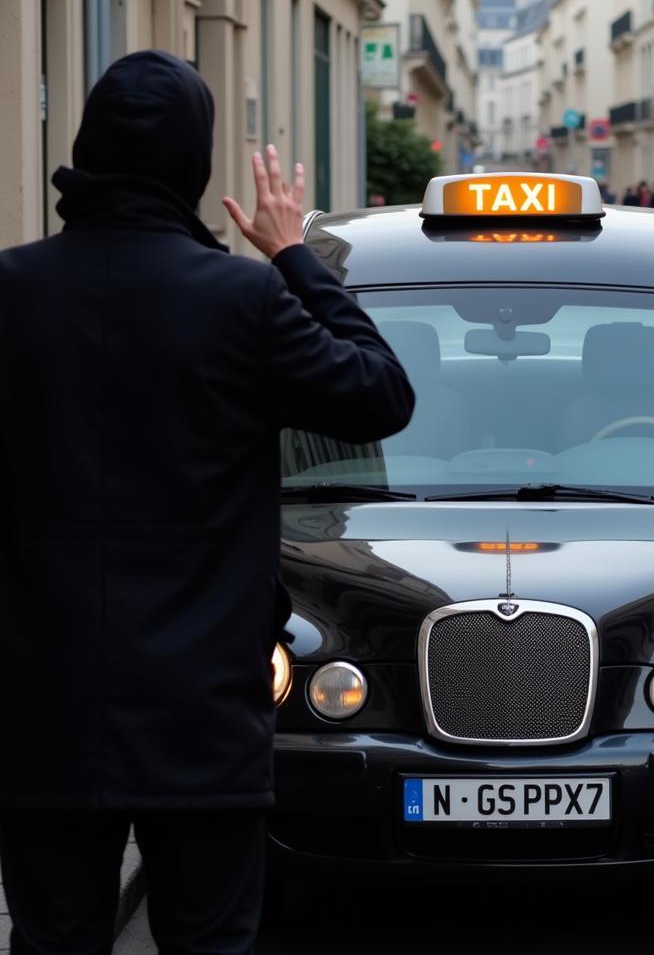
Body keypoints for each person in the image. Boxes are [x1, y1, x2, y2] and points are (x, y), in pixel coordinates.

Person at [0, 51, 414, 953]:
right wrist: (295, 257)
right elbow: (382, 395)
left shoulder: (12, 291)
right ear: (193, 163)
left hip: (43, 709)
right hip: (203, 714)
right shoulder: (241, 299)